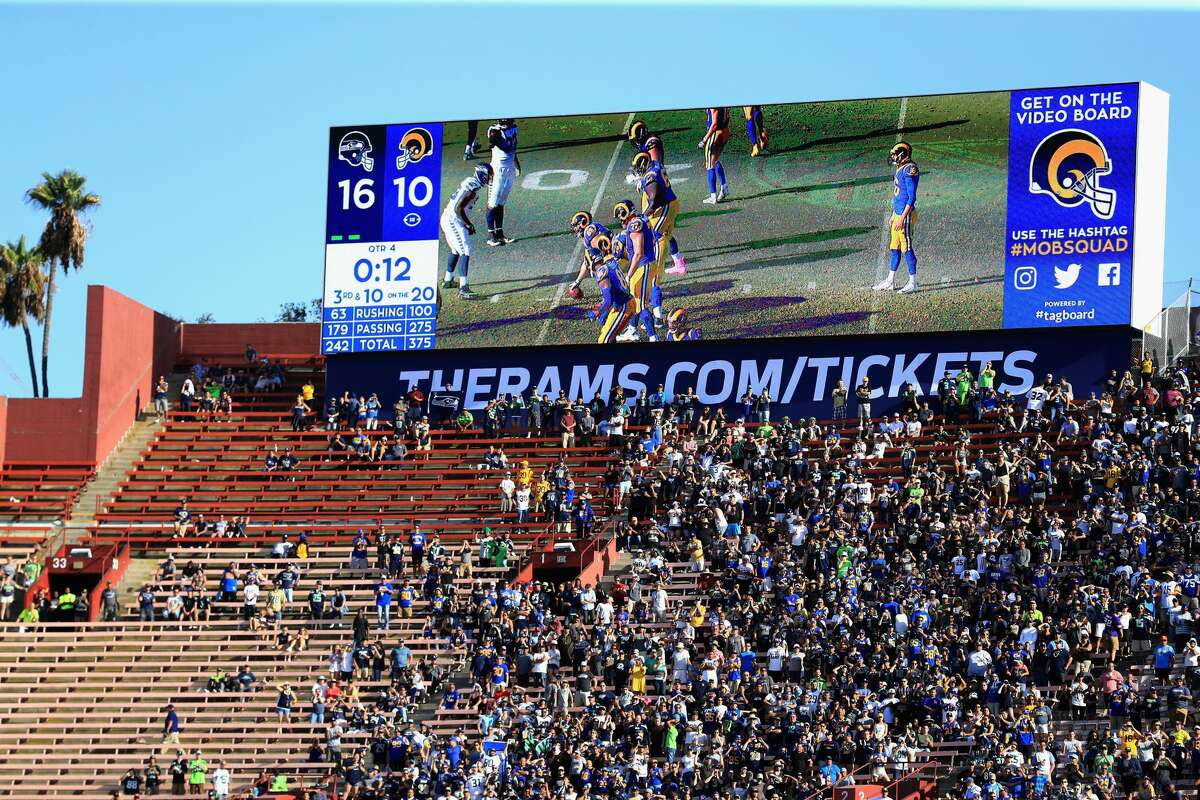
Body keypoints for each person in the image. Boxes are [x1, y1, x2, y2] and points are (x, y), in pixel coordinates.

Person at [873, 140, 919, 294]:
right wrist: (894, 214)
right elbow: (898, 195)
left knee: (907, 248)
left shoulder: (909, 169)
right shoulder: (901, 168)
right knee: (894, 247)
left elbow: (911, 198)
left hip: (905, 215)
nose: (892, 157)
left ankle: (913, 282)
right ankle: (890, 280)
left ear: (902, 155)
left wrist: (902, 217)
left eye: (894, 154)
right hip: (898, 213)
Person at [440, 162, 492, 300]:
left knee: (456, 250)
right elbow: (458, 209)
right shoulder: (472, 186)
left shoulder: (471, 182)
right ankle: (463, 288)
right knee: (466, 250)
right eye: (487, 176)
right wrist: (468, 224)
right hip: (453, 220)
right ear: (481, 174)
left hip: (449, 218)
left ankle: (448, 280)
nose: (488, 179)